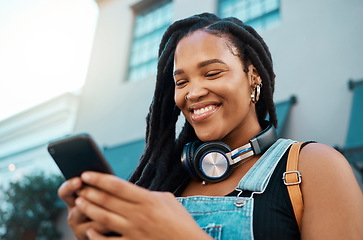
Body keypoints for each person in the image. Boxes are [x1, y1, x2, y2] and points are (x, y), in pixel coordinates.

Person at [58, 13, 363, 239]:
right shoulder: (164, 187)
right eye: (181, 81)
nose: (193, 92)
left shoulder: (315, 168)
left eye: (213, 73)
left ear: (253, 75)